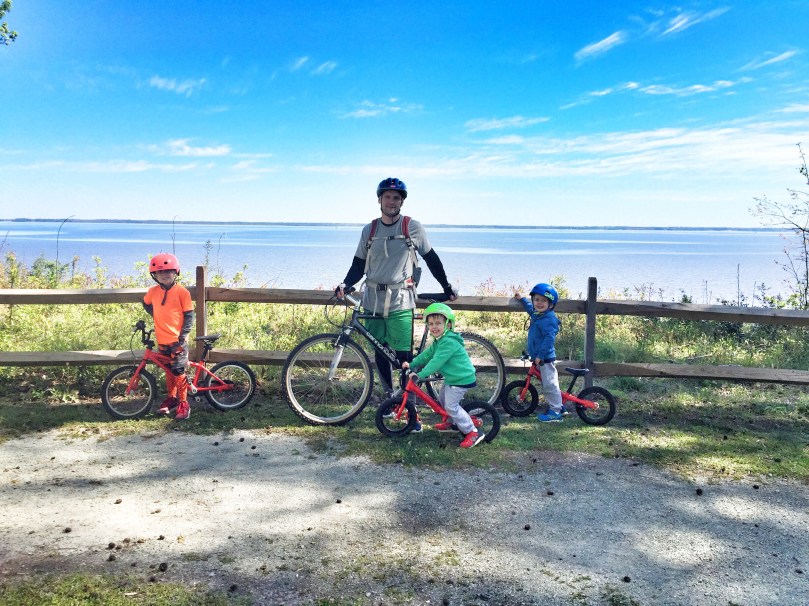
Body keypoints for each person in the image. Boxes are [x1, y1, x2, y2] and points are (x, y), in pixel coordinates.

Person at [335, 177, 457, 397]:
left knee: (403, 356)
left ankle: (408, 402)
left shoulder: (412, 227)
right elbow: (359, 264)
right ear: (379, 200)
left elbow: (431, 258)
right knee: (380, 352)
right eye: (387, 197)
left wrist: (446, 287)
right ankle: (389, 398)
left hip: (401, 299)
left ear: (402, 202)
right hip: (372, 300)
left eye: (396, 198)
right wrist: (345, 284)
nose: (391, 202)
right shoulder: (370, 230)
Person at [402, 302, 484, 448]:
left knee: (451, 406)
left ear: (448, 324)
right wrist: (412, 363)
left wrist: (420, 375)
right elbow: (426, 355)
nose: (434, 327)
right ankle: (453, 423)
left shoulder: (448, 342)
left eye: (438, 323)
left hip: (461, 379)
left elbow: (435, 362)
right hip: (453, 379)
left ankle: (472, 431)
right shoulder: (438, 341)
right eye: (431, 323)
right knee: (443, 399)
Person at [142, 252, 195, 420]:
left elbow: (189, 315)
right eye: (160, 272)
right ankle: (172, 399)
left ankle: (184, 403)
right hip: (162, 339)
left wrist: (183, 335)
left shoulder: (182, 292)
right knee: (168, 371)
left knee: (178, 371)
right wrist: (156, 315)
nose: (165, 274)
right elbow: (146, 303)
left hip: (177, 340)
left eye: (169, 271)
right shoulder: (153, 292)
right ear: (155, 275)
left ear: (176, 272)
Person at [514, 283, 565, 422]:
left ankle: (555, 412)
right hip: (538, 357)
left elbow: (549, 339)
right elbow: (529, 307)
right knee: (547, 383)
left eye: (543, 300)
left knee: (550, 385)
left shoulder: (549, 319)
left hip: (545, 359)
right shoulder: (537, 314)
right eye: (537, 299)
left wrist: (540, 356)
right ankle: (559, 405)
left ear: (550, 304)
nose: (539, 303)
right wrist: (521, 299)